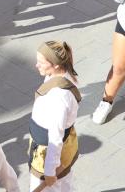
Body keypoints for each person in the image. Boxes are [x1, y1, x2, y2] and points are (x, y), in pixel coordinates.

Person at [27, 42, 80, 191]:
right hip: (53, 145)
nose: (37, 65)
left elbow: (55, 137)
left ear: (56, 65)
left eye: (41, 62)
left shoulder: (59, 97)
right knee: (64, 186)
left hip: (48, 153)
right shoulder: (59, 76)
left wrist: (50, 172)